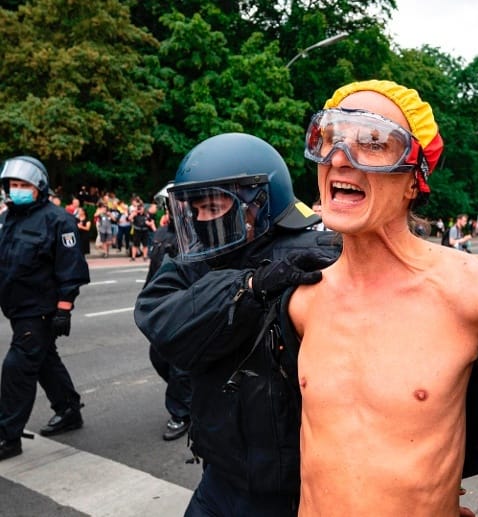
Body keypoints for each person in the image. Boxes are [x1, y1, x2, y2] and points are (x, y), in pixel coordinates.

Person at [286, 79, 478, 516]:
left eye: (374, 142)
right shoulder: (304, 300)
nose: (340, 158)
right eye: (329, 138)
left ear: (414, 180)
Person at [134, 133, 340, 515]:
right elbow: (159, 321)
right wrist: (248, 287)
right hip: (222, 476)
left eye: (211, 206)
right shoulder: (194, 261)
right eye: (191, 208)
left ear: (257, 204)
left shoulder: (321, 256)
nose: (198, 220)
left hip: (300, 488)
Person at [0, 156, 90, 461]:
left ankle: (7, 436)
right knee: (44, 361)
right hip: (17, 307)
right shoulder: (10, 218)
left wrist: (64, 307)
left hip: (40, 309)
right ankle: (68, 410)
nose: (17, 189)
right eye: (13, 184)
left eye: (23, 184)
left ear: (39, 186)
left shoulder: (59, 220)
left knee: (17, 368)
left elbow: (71, 266)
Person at [142, 182, 193, 441]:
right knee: (159, 357)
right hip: (162, 306)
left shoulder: (197, 234)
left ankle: (181, 412)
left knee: (179, 365)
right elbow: (154, 272)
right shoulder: (162, 233)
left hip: (184, 306)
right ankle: (190, 397)